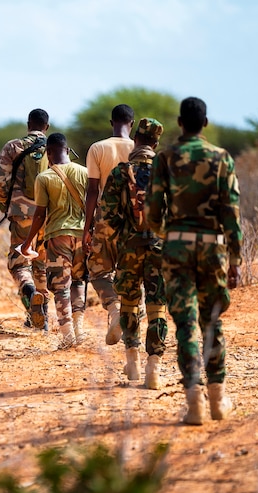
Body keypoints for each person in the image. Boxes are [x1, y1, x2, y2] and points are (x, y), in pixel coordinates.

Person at [146, 97, 241, 425]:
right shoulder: (221, 158)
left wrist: (168, 232)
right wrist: (237, 258)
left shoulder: (166, 158)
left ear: (179, 122)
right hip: (213, 248)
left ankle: (194, 403)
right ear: (206, 123)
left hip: (176, 248)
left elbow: (153, 212)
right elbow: (232, 213)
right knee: (211, 320)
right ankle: (217, 399)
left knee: (186, 323)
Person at [101, 118, 168, 389]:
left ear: (137, 141)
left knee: (129, 303)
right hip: (159, 247)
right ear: (155, 144)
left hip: (129, 246)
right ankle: (155, 367)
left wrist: (122, 236)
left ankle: (133, 361)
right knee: (157, 305)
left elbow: (107, 213)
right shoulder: (166, 173)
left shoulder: (120, 172)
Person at [19, 133, 88, 349]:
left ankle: (67, 335)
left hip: (57, 237)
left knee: (60, 287)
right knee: (78, 281)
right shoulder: (85, 172)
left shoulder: (45, 177)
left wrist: (27, 242)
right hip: (81, 235)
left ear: (48, 153)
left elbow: (40, 214)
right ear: (67, 150)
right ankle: (79, 328)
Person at [0, 109, 51, 330]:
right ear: (47, 126)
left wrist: (8, 202)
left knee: (19, 263)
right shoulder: (55, 146)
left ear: (28, 124)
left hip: (23, 214)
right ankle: (43, 316)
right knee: (42, 263)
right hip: (50, 215)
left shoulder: (13, 146)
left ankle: (29, 291)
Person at [83, 104, 136, 346]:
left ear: (111, 122)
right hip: (135, 218)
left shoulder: (98, 148)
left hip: (106, 217)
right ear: (131, 124)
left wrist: (87, 228)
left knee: (98, 269)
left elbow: (93, 190)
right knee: (133, 270)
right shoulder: (141, 149)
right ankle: (135, 312)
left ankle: (114, 309)